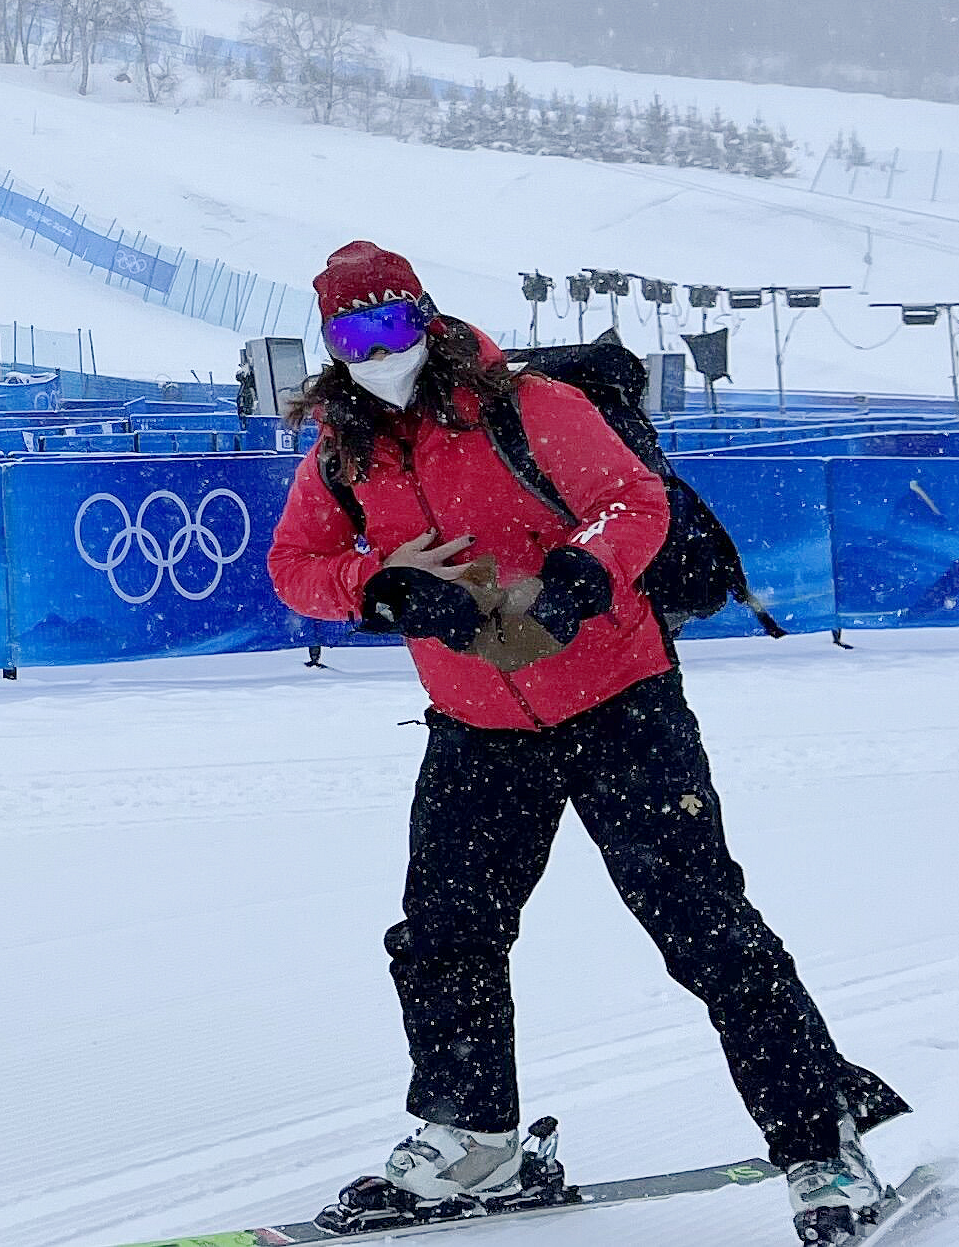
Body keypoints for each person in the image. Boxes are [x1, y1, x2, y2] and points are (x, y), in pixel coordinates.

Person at [265, 242, 907, 1243]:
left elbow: (631, 503)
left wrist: (575, 581)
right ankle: (474, 1137)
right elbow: (296, 563)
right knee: (444, 935)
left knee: (704, 929)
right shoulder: (343, 452)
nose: (377, 350)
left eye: (393, 326)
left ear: (427, 320)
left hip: (620, 702)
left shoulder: (524, 408)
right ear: (332, 346)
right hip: (478, 726)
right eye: (355, 335)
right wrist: (380, 587)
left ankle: (820, 1141)